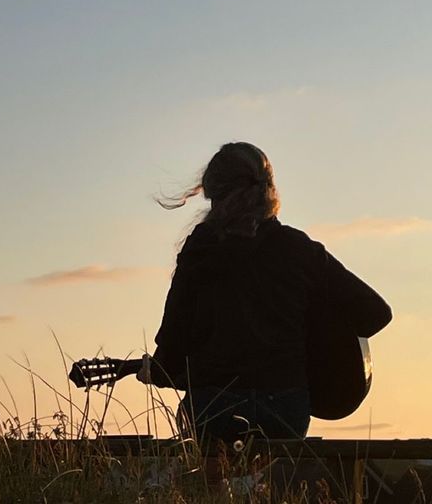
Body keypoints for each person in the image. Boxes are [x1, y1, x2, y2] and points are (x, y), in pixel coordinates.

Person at [137, 142, 392, 441]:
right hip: (286, 409)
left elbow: (172, 348)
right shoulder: (298, 249)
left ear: (212, 194)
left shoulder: (201, 250)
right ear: (269, 190)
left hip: (214, 409)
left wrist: (158, 371)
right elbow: (375, 314)